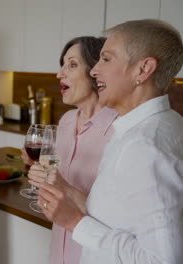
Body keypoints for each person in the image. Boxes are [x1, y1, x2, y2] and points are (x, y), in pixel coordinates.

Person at [32, 19, 183, 263]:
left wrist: (74, 222)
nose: (94, 70)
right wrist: (66, 193)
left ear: (143, 70)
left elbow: (162, 260)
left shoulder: (145, 146)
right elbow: (114, 215)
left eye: (106, 59)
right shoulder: (156, 126)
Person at [22, 36, 118, 264]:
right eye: (62, 64)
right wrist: (37, 171)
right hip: (58, 247)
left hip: (93, 253)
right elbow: (56, 177)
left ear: (96, 70)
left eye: (72, 65)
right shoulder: (65, 121)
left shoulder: (119, 129)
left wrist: (61, 185)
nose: (59, 74)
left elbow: (120, 216)